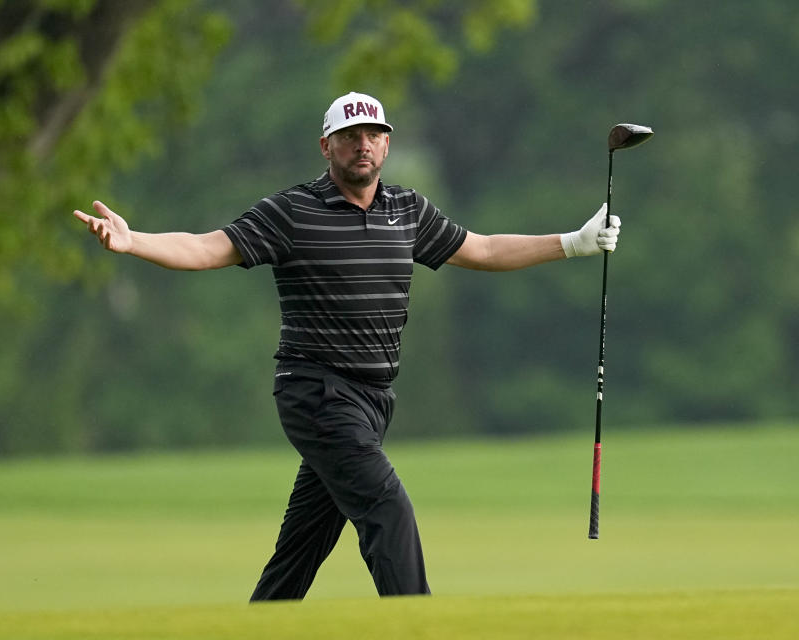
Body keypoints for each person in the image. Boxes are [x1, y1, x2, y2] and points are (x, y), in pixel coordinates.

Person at [73, 91, 620, 601]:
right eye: (351, 134)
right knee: (388, 509)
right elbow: (208, 247)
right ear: (326, 145)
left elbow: (484, 249)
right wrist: (133, 241)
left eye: (374, 134)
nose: (364, 144)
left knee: (301, 548)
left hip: (372, 401)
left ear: (387, 143)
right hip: (317, 393)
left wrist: (572, 243)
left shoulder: (406, 209)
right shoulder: (291, 211)